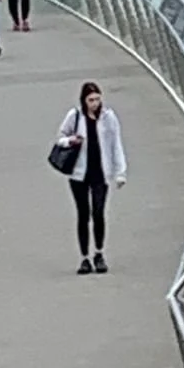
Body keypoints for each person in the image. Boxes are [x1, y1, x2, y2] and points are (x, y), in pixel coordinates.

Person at [53, 80, 127, 275]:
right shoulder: (75, 116)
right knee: (83, 214)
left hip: (101, 173)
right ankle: (84, 257)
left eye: (97, 99)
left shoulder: (108, 118)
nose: (95, 103)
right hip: (79, 174)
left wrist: (120, 172)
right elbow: (60, 138)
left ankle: (99, 253)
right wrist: (71, 140)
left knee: (99, 212)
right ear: (84, 100)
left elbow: (115, 144)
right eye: (91, 100)